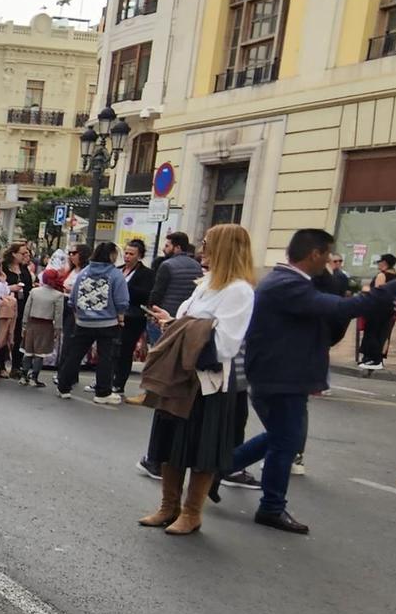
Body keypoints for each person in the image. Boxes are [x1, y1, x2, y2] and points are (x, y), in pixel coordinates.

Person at [228, 229, 396, 535]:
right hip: (280, 376)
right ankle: (269, 506)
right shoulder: (287, 284)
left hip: (281, 374)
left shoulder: (287, 282)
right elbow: (340, 309)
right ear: (315, 254)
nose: (329, 262)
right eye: (327, 255)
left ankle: (220, 469)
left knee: (283, 437)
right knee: (286, 440)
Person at [135, 224, 258, 536]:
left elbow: (225, 344)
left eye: (208, 244)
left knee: (200, 451)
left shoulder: (239, 291)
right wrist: (174, 323)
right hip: (180, 377)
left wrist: (182, 327)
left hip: (207, 383)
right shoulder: (206, 284)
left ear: (226, 249)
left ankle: (191, 512)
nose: (202, 251)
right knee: (169, 445)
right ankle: (168, 506)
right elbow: (193, 325)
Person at [57, 241, 129, 404]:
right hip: (107, 322)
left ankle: (63, 386)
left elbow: (73, 298)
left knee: (74, 355)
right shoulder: (115, 274)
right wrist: (120, 317)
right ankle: (102, 392)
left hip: (83, 321)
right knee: (106, 358)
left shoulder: (84, 273)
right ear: (112, 255)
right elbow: (122, 300)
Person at [113, 239, 154, 395]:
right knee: (111, 349)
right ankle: (106, 379)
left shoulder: (147, 274)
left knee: (125, 349)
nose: (127, 256)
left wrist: (124, 287)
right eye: (126, 253)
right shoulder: (118, 270)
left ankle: (119, 383)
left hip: (133, 317)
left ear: (139, 256)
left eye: (131, 254)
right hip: (114, 315)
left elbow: (145, 294)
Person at [19, 264, 64, 388]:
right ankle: (34, 378)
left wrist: (24, 325)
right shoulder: (58, 295)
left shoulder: (34, 292)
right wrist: (57, 329)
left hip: (32, 323)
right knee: (40, 354)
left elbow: (27, 309)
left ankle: (23, 376)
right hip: (46, 326)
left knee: (27, 351)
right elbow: (58, 315)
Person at [356, 254, 396, 370]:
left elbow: (378, 292)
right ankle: (378, 358)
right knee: (383, 333)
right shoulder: (395, 275)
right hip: (390, 309)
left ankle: (371, 358)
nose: (378, 264)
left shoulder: (382, 275)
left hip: (377, 309)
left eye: (379, 261)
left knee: (372, 333)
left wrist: (366, 289)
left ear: (384, 263)